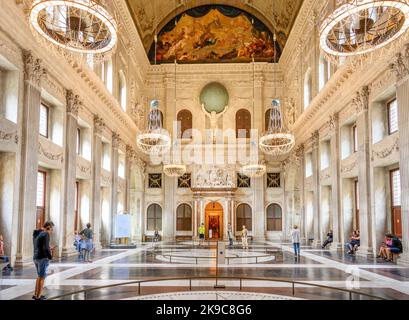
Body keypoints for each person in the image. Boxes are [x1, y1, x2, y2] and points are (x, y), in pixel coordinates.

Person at [32, 221, 54, 300]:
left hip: (36, 257)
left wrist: (48, 248)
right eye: (51, 229)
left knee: (39, 277)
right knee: (42, 277)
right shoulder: (46, 234)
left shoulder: (37, 233)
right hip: (42, 258)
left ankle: (36, 294)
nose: (51, 231)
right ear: (49, 227)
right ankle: (38, 297)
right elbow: (45, 248)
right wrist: (50, 256)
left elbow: (38, 246)